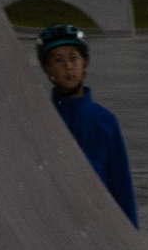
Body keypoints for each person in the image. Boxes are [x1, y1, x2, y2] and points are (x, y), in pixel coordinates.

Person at [36, 24, 137, 227]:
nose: (68, 67)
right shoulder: (41, 119)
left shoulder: (105, 120)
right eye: (58, 60)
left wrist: (130, 233)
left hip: (99, 221)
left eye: (73, 58)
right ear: (47, 69)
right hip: (58, 222)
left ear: (86, 64)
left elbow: (121, 183)